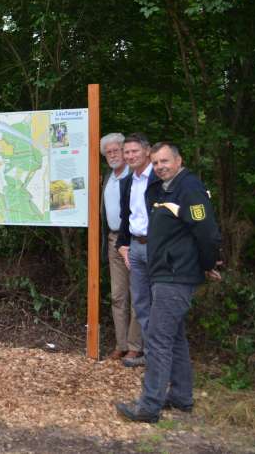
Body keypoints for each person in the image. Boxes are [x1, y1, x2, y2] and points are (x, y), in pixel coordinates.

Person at [116, 142, 221, 422]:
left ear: (179, 160)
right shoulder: (165, 188)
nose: (160, 167)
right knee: (174, 339)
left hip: (176, 275)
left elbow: (207, 232)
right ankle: (181, 397)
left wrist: (208, 263)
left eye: (165, 161)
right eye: (157, 163)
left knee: (158, 339)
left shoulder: (190, 188)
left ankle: (149, 406)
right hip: (164, 272)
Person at [115, 132, 158, 368]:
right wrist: (123, 245)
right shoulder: (129, 181)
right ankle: (150, 354)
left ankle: (160, 356)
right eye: (127, 152)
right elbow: (126, 217)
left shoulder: (159, 179)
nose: (130, 156)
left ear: (147, 151)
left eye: (134, 151)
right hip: (135, 247)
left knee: (160, 302)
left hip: (157, 248)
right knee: (141, 303)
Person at [100, 133, 142, 361]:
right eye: (108, 152)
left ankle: (135, 345)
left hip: (135, 240)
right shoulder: (108, 178)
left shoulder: (134, 176)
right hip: (114, 240)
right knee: (117, 295)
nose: (113, 155)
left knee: (137, 294)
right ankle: (121, 343)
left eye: (117, 150)